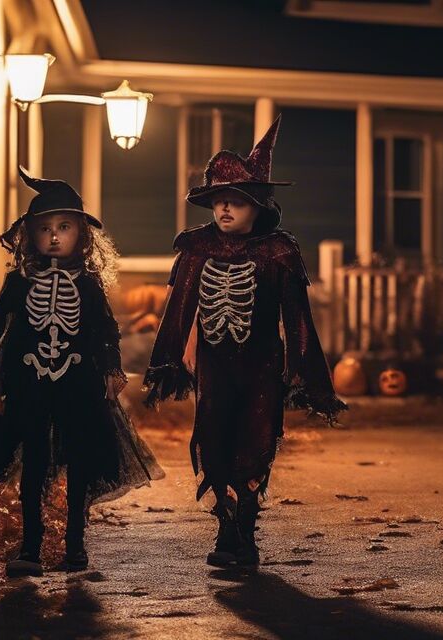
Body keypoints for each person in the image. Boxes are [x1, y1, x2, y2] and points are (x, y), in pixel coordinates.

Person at [144, 115, 346, 569]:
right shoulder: (197, 249)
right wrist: (167, 362)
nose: (226, 211)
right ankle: (224, 529)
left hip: (261, 365)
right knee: (214, 440)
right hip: (215, 368)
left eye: (236, 202)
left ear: (258, 207)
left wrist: (309, 376)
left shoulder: (278, 252)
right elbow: (178, 311)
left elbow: (298, 320)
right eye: (219, 202)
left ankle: (246, 532)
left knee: (255, 443)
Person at [0, 169, 162, 578]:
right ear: (29, 235)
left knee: (80, 463)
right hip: (28, 383)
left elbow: (106, 331)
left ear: (81, 235)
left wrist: (111, 369)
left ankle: (75, 545)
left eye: (64, 227)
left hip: (79, 385)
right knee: (33, 463)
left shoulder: (87, 285)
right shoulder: (19, 281)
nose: (54, 236)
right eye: (45, 228)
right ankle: (30, 545)